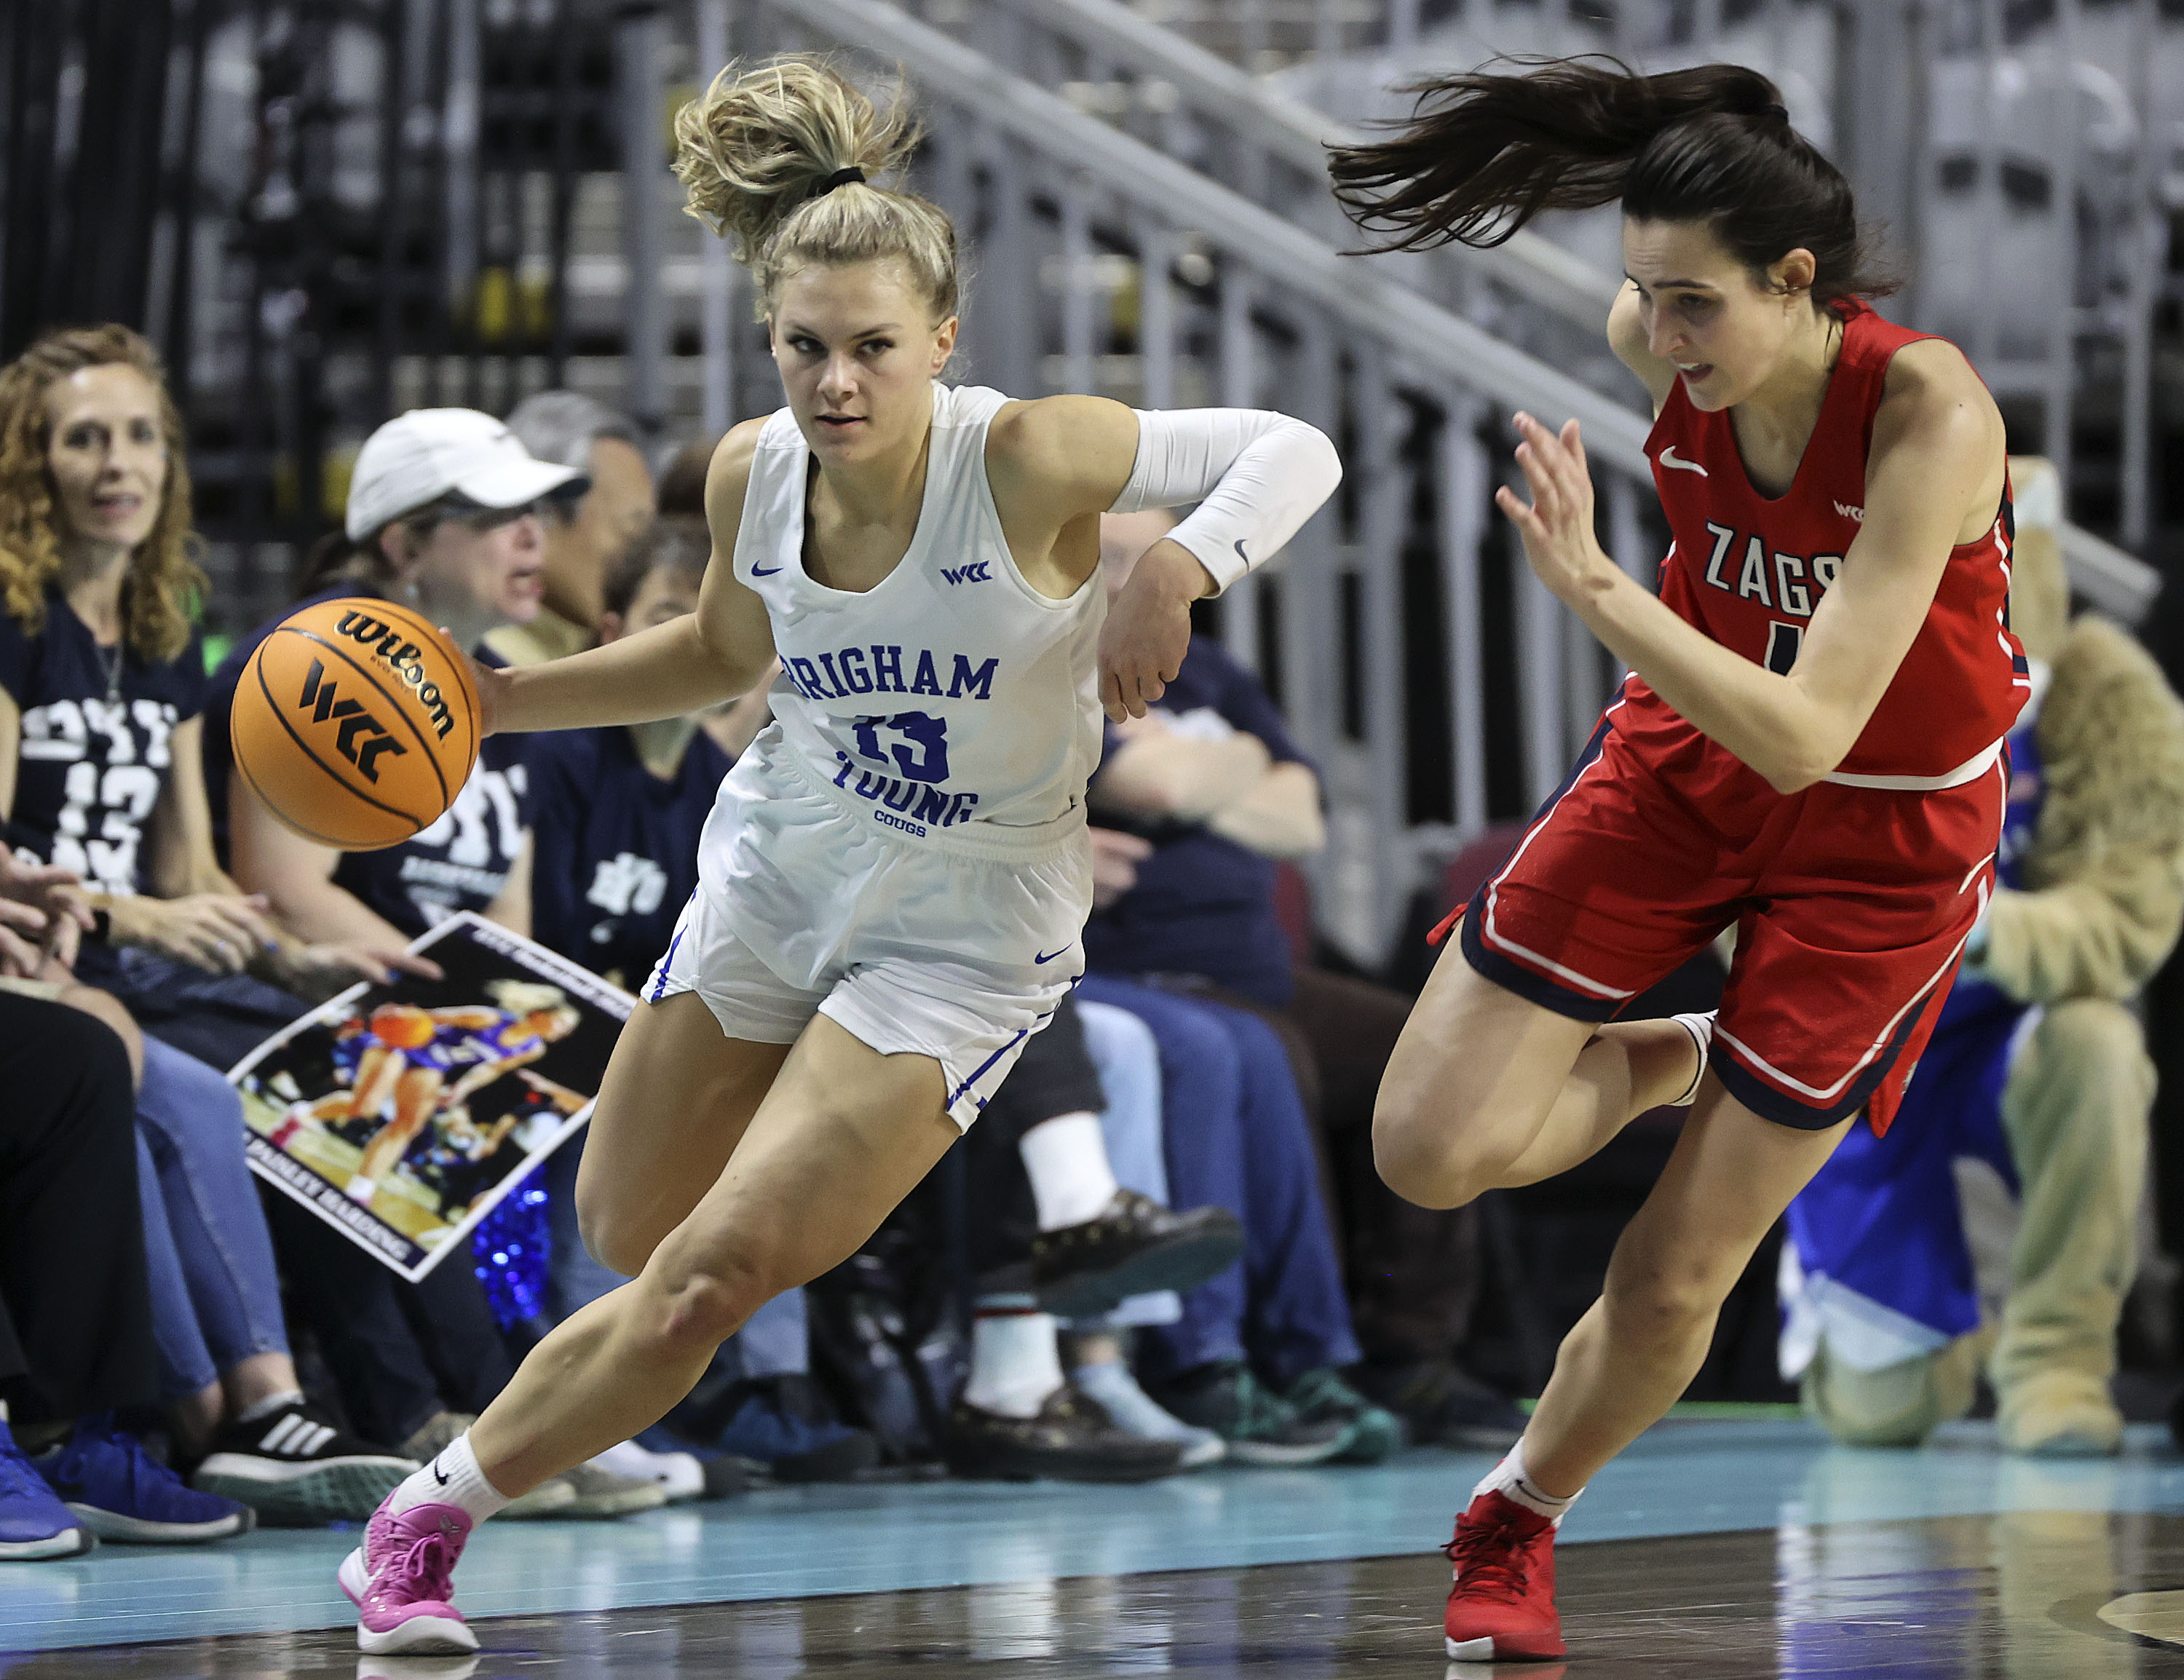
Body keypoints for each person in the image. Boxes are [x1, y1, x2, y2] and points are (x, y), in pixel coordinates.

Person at [338, 52, 1340, 1657]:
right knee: (627, 1226)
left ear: (942, 341)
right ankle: (557, 1424)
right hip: (785, 868)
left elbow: (1294, 442)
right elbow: (715, 650)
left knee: (707, 1272)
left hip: (967, 931)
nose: (837, 385)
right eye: (805, 348)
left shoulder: (1025, 453)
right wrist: (502, 698)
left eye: (874, 349)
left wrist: (1183, 573)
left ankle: (424, 1517)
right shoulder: (754, 470)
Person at [1329, 61, 2026, 1662]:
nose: (1661, 333)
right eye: (1644, 295)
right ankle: (1679, 1053)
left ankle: (1515, 1513)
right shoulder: (1669, 342)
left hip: (1885, 825)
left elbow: (1815, 729)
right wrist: (1634, 620)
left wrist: (1595, 586)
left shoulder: (1933, 413)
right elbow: (1744, 730)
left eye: (1696, 302)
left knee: (1672, 1271)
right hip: (1686, 762)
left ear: (1801, 282)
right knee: (1427, 1147)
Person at [205, 409, 665, 1520]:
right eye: (497, 518)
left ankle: (502, 1410)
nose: (530, 543)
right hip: (297, 988)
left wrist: (524, 1009)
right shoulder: (316, 657)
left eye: (535, 518)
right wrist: (432, 988)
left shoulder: (500, 684)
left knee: (530, 1068)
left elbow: (507, 914)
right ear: (407, 546)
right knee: (391, 1090)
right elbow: (285, 886)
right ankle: (422, 1411)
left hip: (421, 1007)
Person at [0, 324, 426, 1523]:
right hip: (43, 954)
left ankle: (281, 1406)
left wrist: (291, 954)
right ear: (34, 463)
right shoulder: (12, 615)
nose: (117, 463)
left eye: (140, 436)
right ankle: (213, 1415)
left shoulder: (166, 617)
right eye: (83, 438)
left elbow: (188, 862)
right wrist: (144, 915)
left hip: (135, 951)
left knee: (335, 1047)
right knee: (178, 1097)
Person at [1089, 510, 1521, 1450]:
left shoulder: (1211, 673)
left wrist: (1211, 768)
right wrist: (1241, 768)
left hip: (1263, 967)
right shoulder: (1073, 660)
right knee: (1272, 1057)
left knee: (1436, 1049)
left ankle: (1411, 1354)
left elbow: (1304, 818)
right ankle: (1300, 1353)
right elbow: (1155, 790)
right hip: (1151, 967)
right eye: (1120, 559)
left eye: (1168, 562)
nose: (1147, 582)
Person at [1782, 461, 2184, 1459]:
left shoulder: (2095, 692)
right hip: (1864, 1043)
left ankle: (2056, 1356)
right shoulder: (1814, 675)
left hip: (2007, 1015)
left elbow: (2134, 908)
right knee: (1879, 1418)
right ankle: (1932, 1326)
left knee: (2099, 1044)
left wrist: (1987, 927)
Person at [485, 392, 656, 667]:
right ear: (542, 516)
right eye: (630, 532)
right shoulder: (487, 668)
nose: (643, 561)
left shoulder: (586, 651)